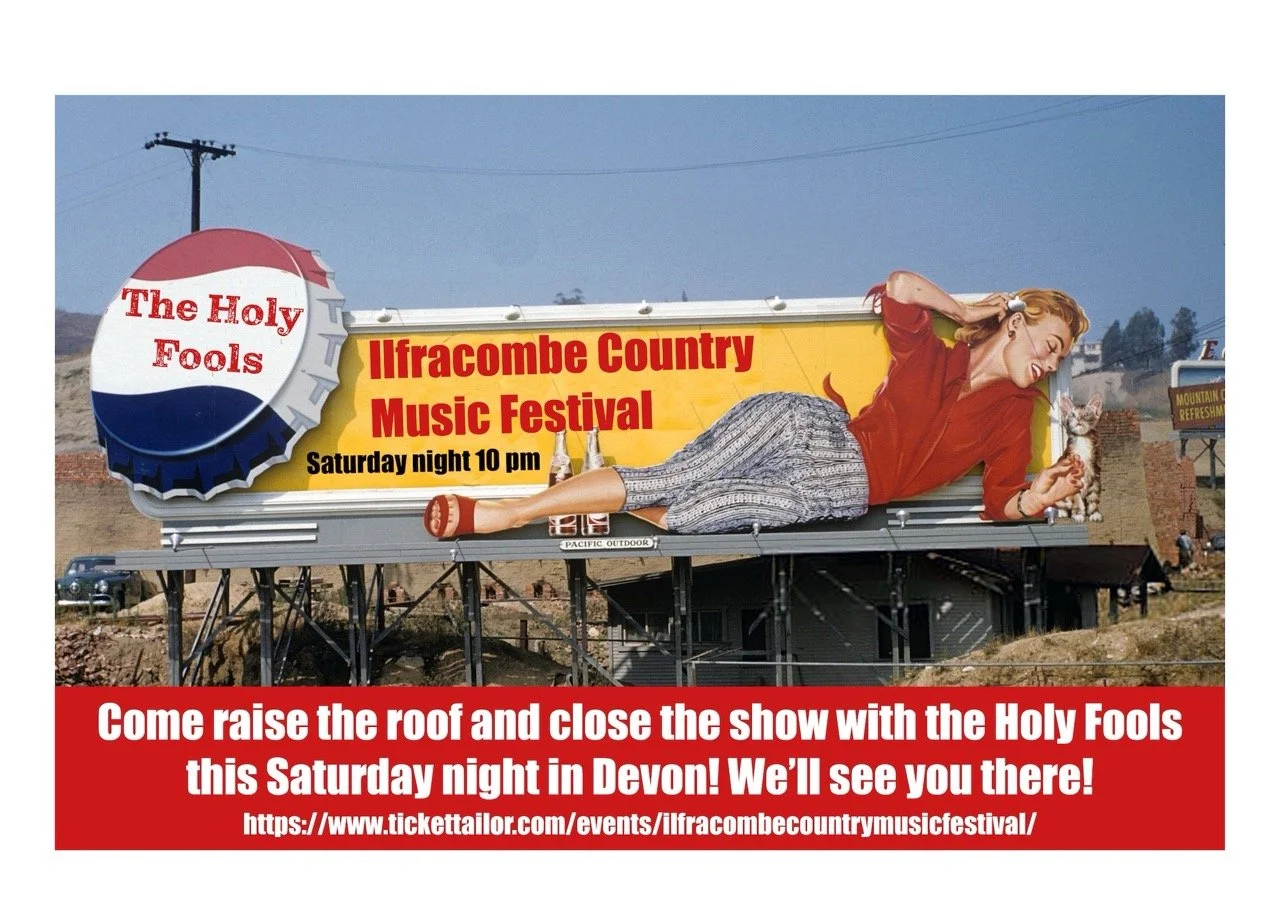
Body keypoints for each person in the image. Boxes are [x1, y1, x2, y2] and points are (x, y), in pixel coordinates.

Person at [425, 270, 1089, 538]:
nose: (1052, 361)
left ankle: (578, 501)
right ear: (1015, 323)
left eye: (1061, 355)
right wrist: (965, 306)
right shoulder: (934, 351)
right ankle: (508, 512)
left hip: (843, 488)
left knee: (686, 513)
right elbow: (901, 287)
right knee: (670, 477)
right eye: (1051, 343)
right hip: (810, 425)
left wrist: (1040, 493)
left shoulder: (1014, 416)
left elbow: (1000, 501)